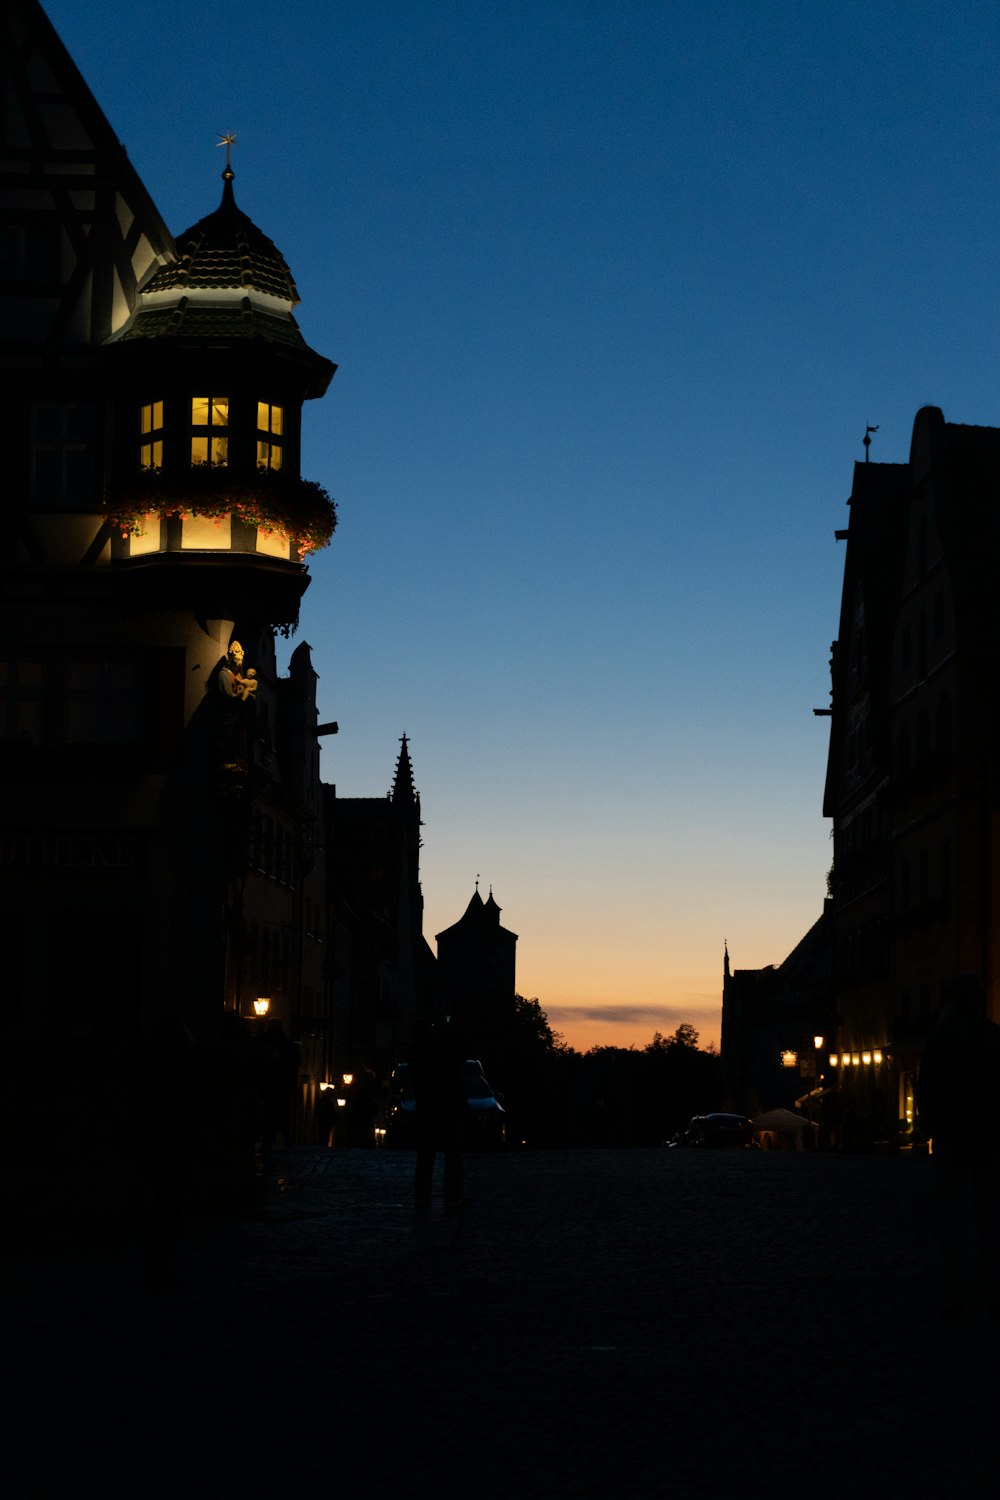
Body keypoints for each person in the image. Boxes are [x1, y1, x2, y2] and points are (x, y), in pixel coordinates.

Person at [916, 973, 1000, 1321]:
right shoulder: (994, 1036)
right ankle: (993, 1293)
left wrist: (931, 1127)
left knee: (952, 1219)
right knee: (990, 1219)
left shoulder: (941, 1037)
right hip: (988, 1137)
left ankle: (955, 1296)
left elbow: (926, 1089)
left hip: (952, 1137)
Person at [407, 1018, 466, 1212]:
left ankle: (422, 1197)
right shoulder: (442, 1052)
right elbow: (459, 1062)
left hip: (427, 1110)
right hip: (447, 1109)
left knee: (426, 1155)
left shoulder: (416, 1054)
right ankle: (451, 1197)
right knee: (452, 1155)